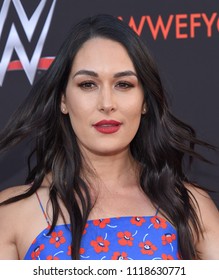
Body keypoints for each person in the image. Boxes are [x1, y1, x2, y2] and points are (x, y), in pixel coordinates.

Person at [0, 14, 218, 261]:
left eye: (123, 84)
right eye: (88, 84)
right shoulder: (11, 213)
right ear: (63, 99)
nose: (107, 104)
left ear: (145, 101)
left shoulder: (191, 207)